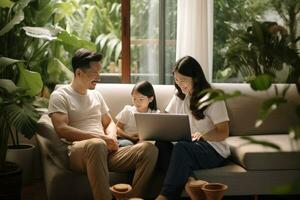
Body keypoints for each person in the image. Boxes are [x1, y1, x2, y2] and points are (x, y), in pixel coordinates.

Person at [48, 48, 158, 200]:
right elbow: (61, 129)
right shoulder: (60, 95)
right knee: (96, 144)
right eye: (95, 73)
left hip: (105, 150)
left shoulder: (96, 95)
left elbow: (109, 122)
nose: (99, 77)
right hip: (79, 152)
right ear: (79, 73)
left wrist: (111, 137)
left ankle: (133, 197)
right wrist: (101, 138)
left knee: (149, 150)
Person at [155, 56, 230, 200]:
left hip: (214, 149)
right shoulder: (181, 96)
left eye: (183, 80)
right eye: (176, 80)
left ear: (195, 77)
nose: (179, 84)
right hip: (190, 145)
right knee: (161, 145)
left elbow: (224, 132)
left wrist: (203, 135)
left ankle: (165, 196)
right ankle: (191, 183)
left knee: (181, 148)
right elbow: (166, 118)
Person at [116, 80, 159, 147]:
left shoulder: (155, 114)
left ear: (150, 99)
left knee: (148, 145)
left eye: (141, 99)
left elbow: (156, 133)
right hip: (126, 138)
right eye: (134, 99)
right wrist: (129, 136)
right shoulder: (128, 110)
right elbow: (117, 128)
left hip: (145, 141)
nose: (137, 102)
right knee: (125, 144)